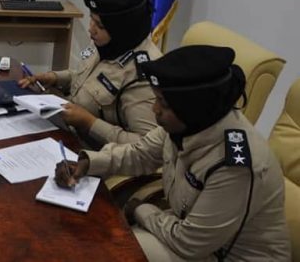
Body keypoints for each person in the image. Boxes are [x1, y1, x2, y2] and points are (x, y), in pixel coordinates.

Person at [55, 45, 290, 261]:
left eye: (164, 104)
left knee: (111, 251)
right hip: (190, 235)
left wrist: (140, 209)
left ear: (193, 109)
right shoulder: (187, 124)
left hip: (224, 255)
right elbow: (140, 154)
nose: (155, 109)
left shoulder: (235, 165)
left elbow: (189, 243)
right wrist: (88, 163)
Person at [19, 0, 161, 147]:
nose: (91, 29)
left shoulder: (143, 75)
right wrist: (54, 78)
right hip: (65, 133)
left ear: (123, 30)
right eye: (92, 19)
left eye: (100, 25)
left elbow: (149, 147)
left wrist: (90, 122)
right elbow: (87, 77)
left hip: (94, 153)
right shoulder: (110, 45)